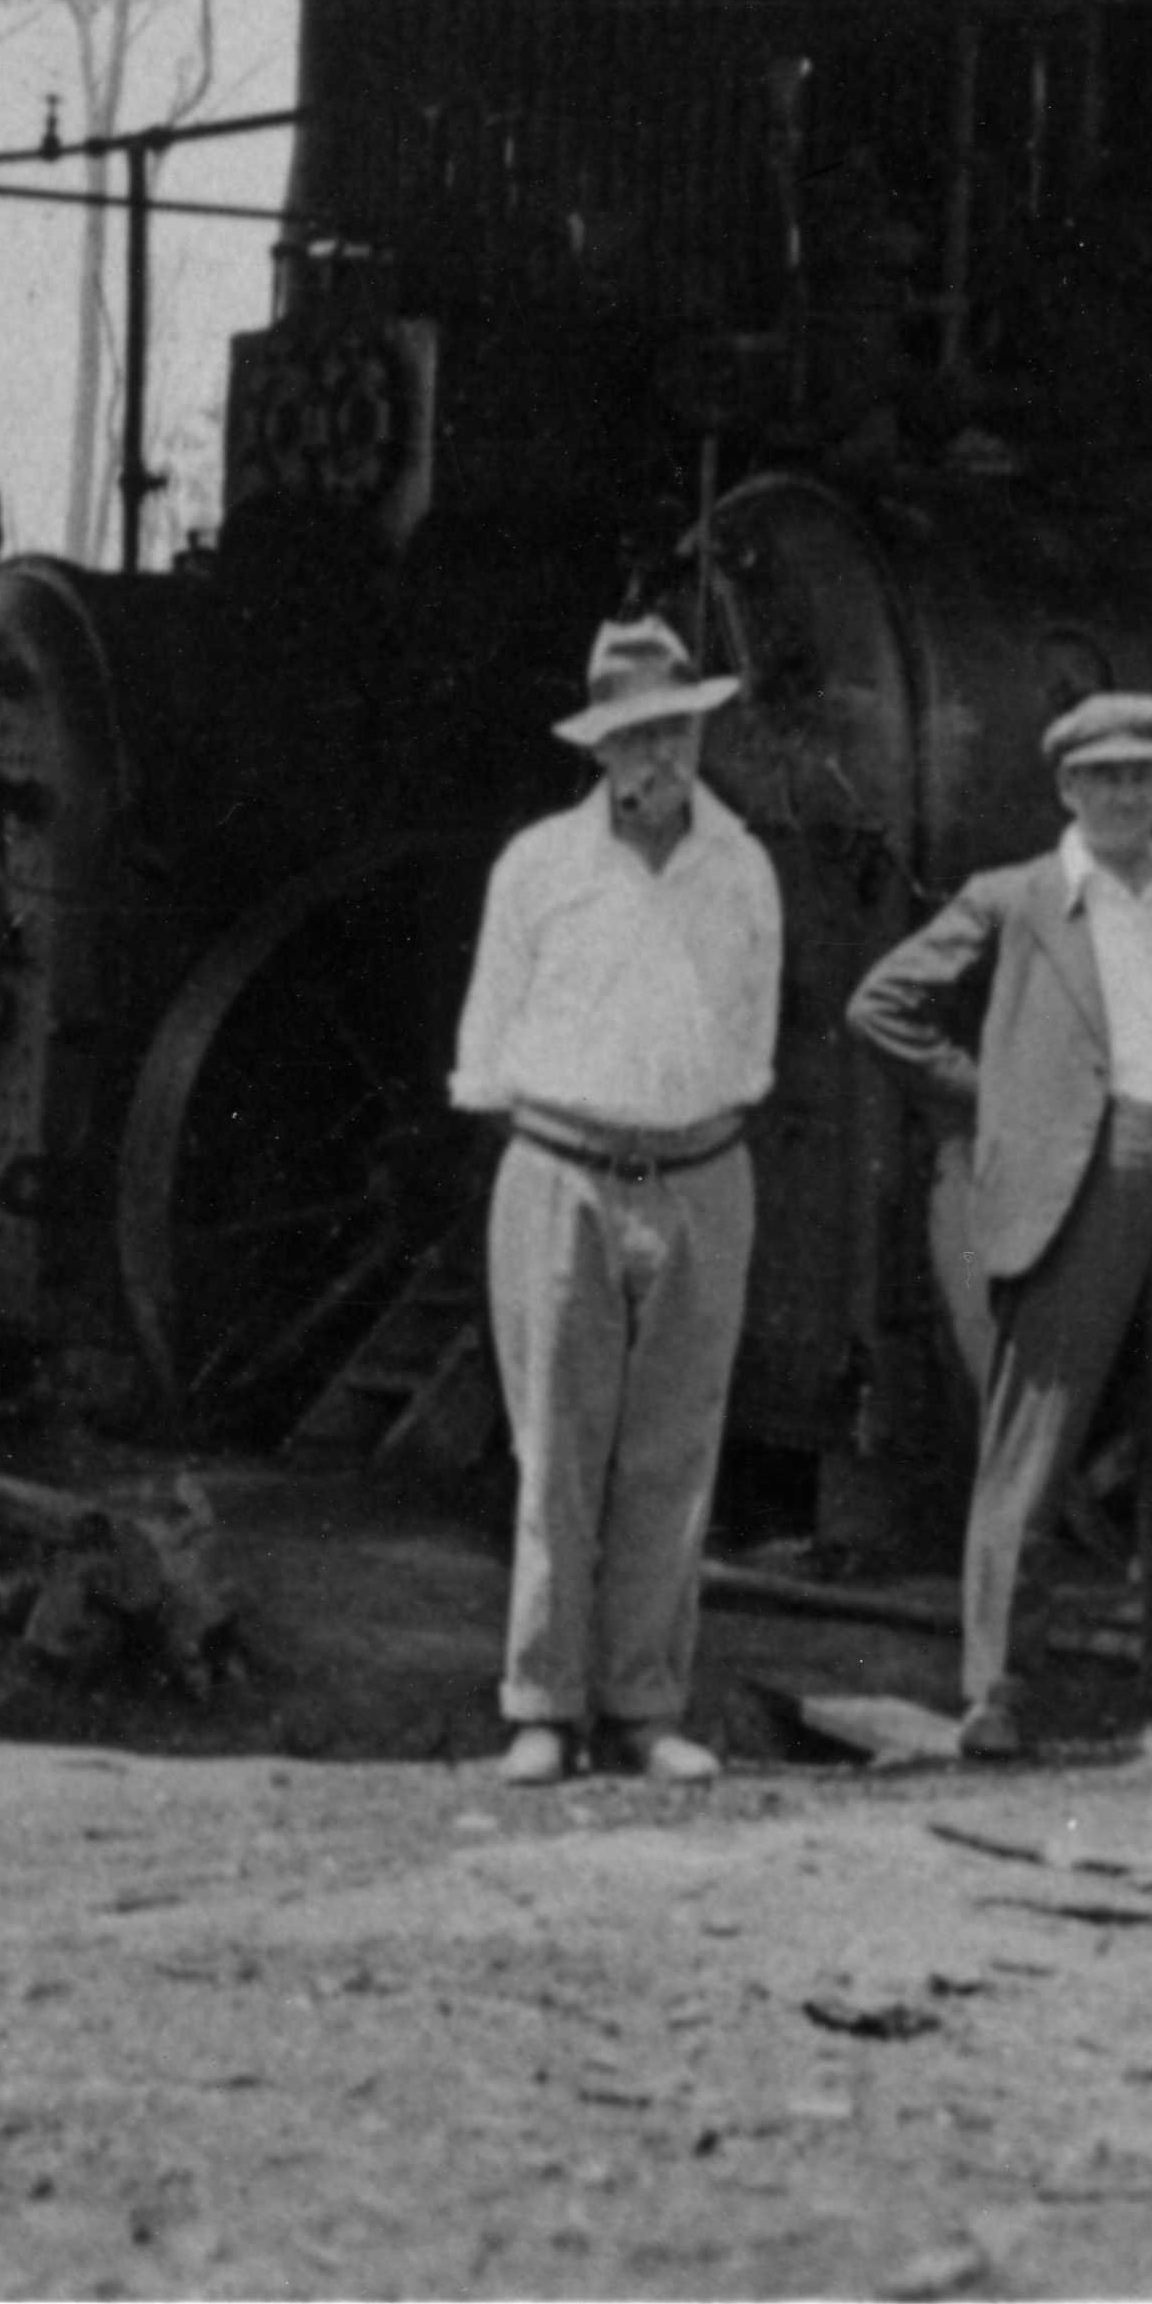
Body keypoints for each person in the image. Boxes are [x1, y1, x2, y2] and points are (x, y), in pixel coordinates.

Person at [848, 690, 1152, 1759]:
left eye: (1144, 775)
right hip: (1080, 1177)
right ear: (1066, 787)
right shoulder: (1016, 899)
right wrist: (1001, 1100)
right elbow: (882, 1003)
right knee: (1034, 1436)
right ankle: (997, 1691)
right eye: (1104, 777)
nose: (1126, 793)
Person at [447, 612, 785, 1783]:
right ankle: (543, 1704)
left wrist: (671, 1143)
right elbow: (485, 1047)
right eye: (635, 737)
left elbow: (751, 1035)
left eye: (678, 732)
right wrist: (578, 1154)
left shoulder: (742, 867)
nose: (660, 758)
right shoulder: (538, 866)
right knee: (556, 1444)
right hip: (561, 1170)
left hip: (696, 1173)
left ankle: (644, 1707)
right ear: (598, 747)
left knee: (672, 1454)